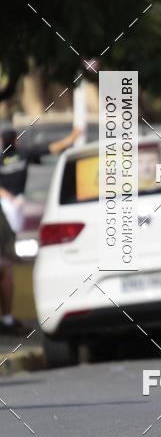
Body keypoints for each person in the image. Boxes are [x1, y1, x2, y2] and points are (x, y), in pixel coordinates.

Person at [0, 124, 81, 330]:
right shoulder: (24, 153)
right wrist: (72, 137)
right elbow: (51, 148)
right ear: (16, 140)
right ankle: (7, 319)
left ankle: (8, 318)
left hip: (12, 205)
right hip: (13, 205)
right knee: (6, 265)